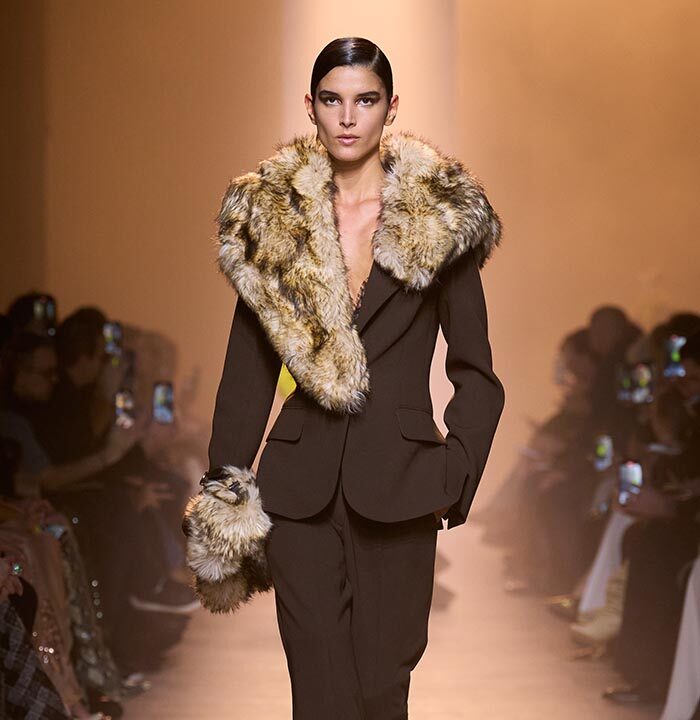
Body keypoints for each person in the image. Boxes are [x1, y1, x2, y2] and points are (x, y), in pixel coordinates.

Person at [202, 36, 505, 718]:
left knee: (379, 689)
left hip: (404, 486)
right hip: (298, 491)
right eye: (332, 100)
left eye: (365, 100)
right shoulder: (274, 224)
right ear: (309, 106)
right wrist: (226, 492)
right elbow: (246, 373)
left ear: (391, 108)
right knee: (320, 691)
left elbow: (476, 369)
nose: (347, 117)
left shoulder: (439, 222)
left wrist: (456, 471)